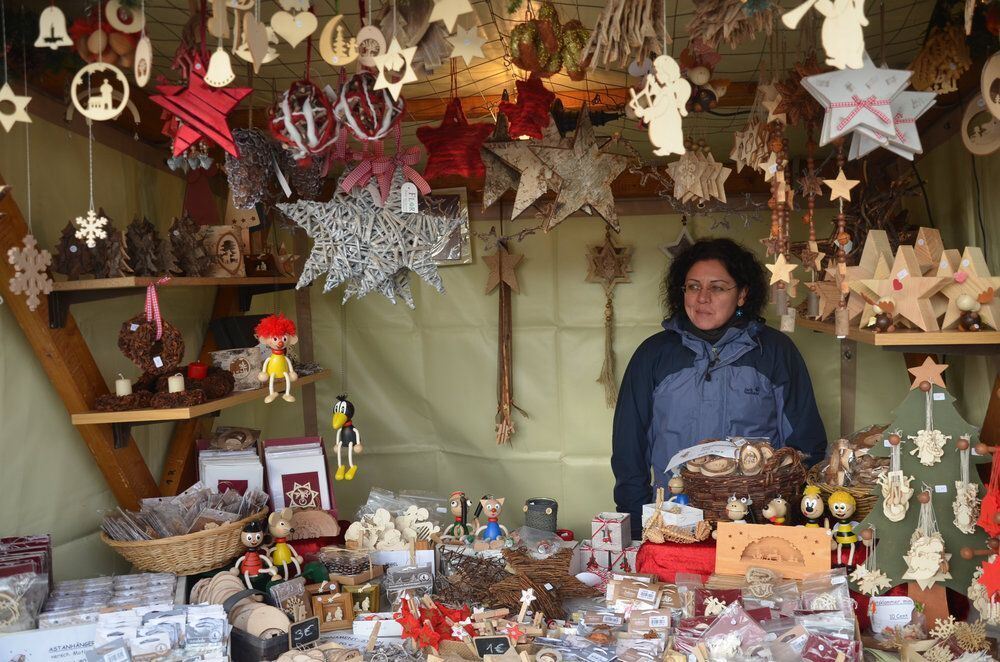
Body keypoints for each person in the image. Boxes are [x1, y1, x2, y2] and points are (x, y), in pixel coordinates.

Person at [612, 238, 826, 537]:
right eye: (693, 286)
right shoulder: (654, 355)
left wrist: (789, 514)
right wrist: (636, 519)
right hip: (673, 520)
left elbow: (805, 446)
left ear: (742, 295)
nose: (702, 298)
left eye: (717, 287)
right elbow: (628, 446)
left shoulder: (775, 352)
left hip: (755, 521)